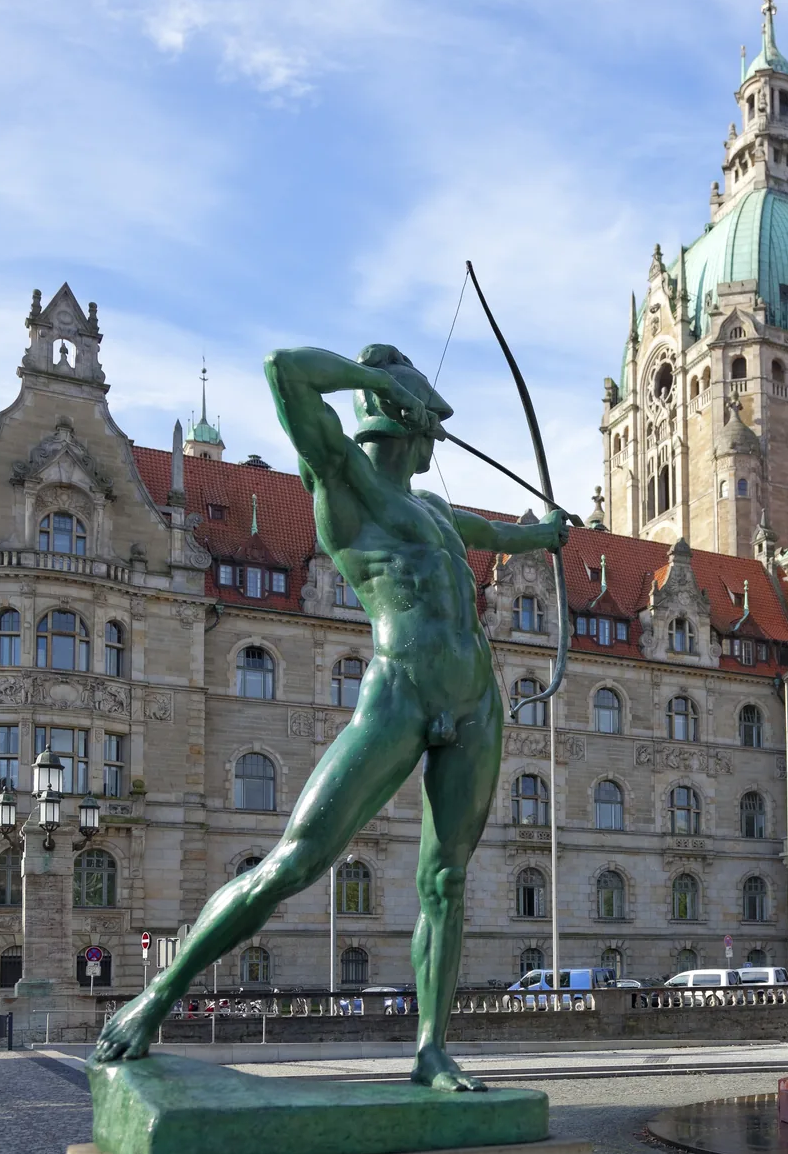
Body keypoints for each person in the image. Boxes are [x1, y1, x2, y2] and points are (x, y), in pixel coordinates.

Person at [92, 344, 567, 1091]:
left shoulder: (435, 511)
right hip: (401, 690)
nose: (436, 440)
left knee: (445, 879)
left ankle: (432, 1051)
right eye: (430, 425)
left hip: (477, 700)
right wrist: (378, 380)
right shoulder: (342, 482)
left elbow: (496, 536)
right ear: (405, 422)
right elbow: (283, 369)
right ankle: (157, 997)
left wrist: (543, 535)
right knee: (297, 860)